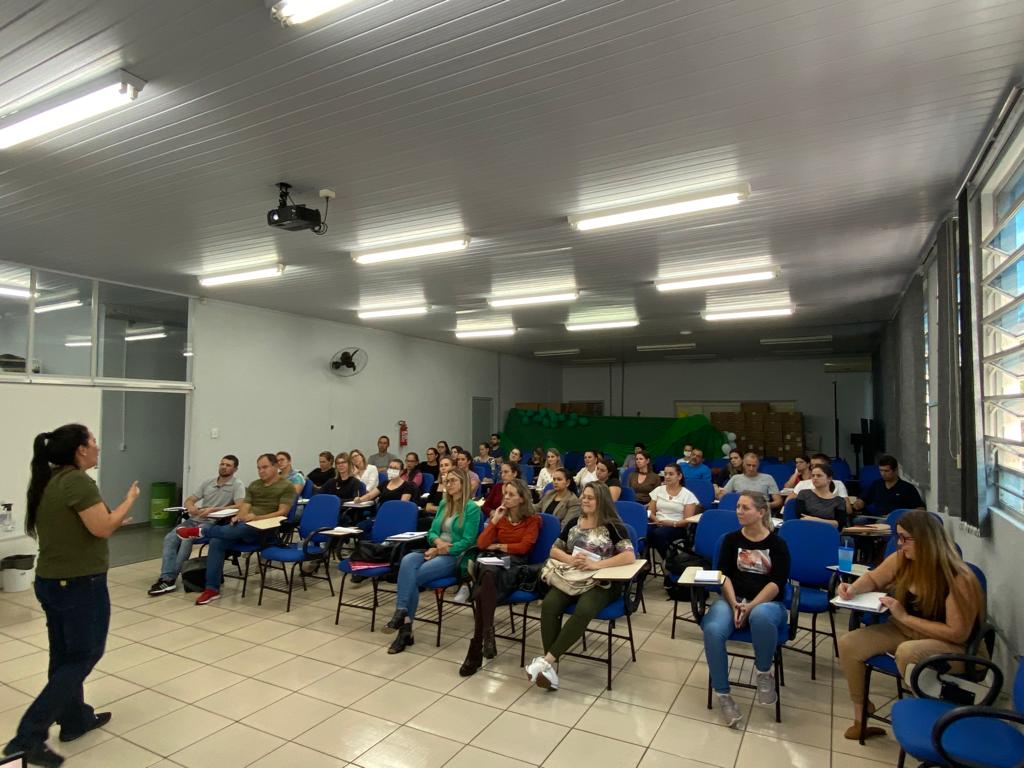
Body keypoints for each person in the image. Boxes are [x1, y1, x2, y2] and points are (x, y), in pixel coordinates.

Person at [4, 424, 139, 768]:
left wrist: (110, 520)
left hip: (52, 581)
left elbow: (87, 525)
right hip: (79, 583)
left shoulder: (50, 479)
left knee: (65, 655)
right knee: (84, 655)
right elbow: (102, 527)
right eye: (93, 441)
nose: (98, 446)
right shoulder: (77, 481)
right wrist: (129, 500)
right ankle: (28, 736)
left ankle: (75, 718)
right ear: (80, 449)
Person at [836, 510, 984, 740]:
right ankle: (861, 715)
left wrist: (904, 617)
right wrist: (852, 589)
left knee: (908, 652)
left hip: (950, 645)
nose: (899, 543)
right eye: (898, 537)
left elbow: (957, 633)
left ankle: (926, 723)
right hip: (904, 631)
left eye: (905, 538)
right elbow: (874, 578)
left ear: (926, 540)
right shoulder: (903, 560)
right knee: (849, 644)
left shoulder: (958, 577)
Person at [526, 482, 636, 690]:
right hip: (573, 578)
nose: (584, 500)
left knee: (584, 609)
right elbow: (554, 550)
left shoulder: (613, 526)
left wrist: (597, 564)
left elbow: (629, 556)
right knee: (549, 605)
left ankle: (546, 661)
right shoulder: (573, 523)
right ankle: (549, 668)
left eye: (590, 497)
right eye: (584, 496)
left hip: (603, 581)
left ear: (601, 501)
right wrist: (570, 559)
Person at [702, 492, 791, 728]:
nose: (739, 511)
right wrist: (734, 604)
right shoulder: (731, 540)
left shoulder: (777, 544)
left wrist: (750, 607)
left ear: (761, 512)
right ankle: (723, 695)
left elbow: (777, 583)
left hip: (767, 603)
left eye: (745, 508)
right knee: (713, 629)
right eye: (738, 507)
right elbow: (723, 576)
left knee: (760, 616)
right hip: (733, 599)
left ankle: (763, 673)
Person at [382, 467, 481, 654]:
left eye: (453, 481)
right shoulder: (444, 504)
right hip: (436, 549)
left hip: (455, 556)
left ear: (463, 484)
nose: (448, 484)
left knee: (413, 577)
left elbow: (468, 541)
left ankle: (405, 629)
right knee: (408, 560)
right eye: (447, 481)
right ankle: (403, 614)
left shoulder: (472, 509)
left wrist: (440, 549)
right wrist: (437, 544)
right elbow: (432, 532)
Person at [460, 478, 542, 676]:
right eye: (505, 493)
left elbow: (524, 547)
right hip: (496, 563)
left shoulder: (533, 519)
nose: (506, 497)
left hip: (516, 566)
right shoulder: (501, 517)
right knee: (488, 573)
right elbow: (481, 544)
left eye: (511, 494)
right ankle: (486, 633)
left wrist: (498, 546)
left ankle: (477, 645)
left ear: (522, 499)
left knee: (482, 587)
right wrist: (495, 520)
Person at [194, 454, 296, 605]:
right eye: (259, 468)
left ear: (275, 467)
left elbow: (282, 512)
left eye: (265, 467)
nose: (261, 471)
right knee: (216, 541)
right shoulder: (255, 485)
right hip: (244, 526)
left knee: (238, 529)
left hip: (265, 530)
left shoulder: (286, 486)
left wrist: (256, 518)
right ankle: (212, 589)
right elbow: (245, 507)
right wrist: (239, 516)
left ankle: (202, 532)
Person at [148, 455, 246, 596]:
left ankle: (169, 579)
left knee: (187, 539)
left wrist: (214, 510)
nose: (224, 467)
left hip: (213, 522)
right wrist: (191, 506)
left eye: (228, 465)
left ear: (235, 469)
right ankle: (166, 576)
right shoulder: (208, 482)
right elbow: (190, 499)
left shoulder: (237, 484)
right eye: (222, 464)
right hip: (196, 518)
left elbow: (240, 505)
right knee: (170, 538)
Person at [646, 463, 699, 557]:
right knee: (643, 531)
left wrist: (672, 523)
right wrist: (657, 520)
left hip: (677, 526)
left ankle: (667, 560)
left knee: (658, 534)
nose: (667, 477)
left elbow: (687, 521)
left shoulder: (687, 495)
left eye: (671, 474)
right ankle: (649, 561)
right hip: (657, 523)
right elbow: (650, 512)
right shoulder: (658, 490)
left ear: (679, 476)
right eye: (665, 474)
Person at [851, 454, 925, 519]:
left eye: (886, 471)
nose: (883, 474)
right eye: (881, 470)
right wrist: (859, 503)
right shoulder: (877, 484)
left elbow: (920, 509)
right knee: (858, 520)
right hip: (877, 518)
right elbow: (863, 499)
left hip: (897, 521)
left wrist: (901, 515)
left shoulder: (907, 488)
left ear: (895, 470)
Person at [717, 453, 782, 510]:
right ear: (743, 464)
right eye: (748, 465)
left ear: (758, 465)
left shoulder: (768, 478)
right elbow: (722, 496)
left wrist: (766, 506)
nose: (751, 468)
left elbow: (778, 501)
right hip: (740, 509)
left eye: (754, 466)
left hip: (760, 510)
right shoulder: (736, 478)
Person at [794, 463, 848, 528]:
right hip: (807, 529)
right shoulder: (804, 494)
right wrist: (830, 522)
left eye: (819, 476)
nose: (815, 478)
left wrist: (815, 520)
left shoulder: (839, 501)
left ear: (829, 478)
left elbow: (840, 525)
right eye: (813, 475)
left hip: (828, 531)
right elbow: (802, 518)